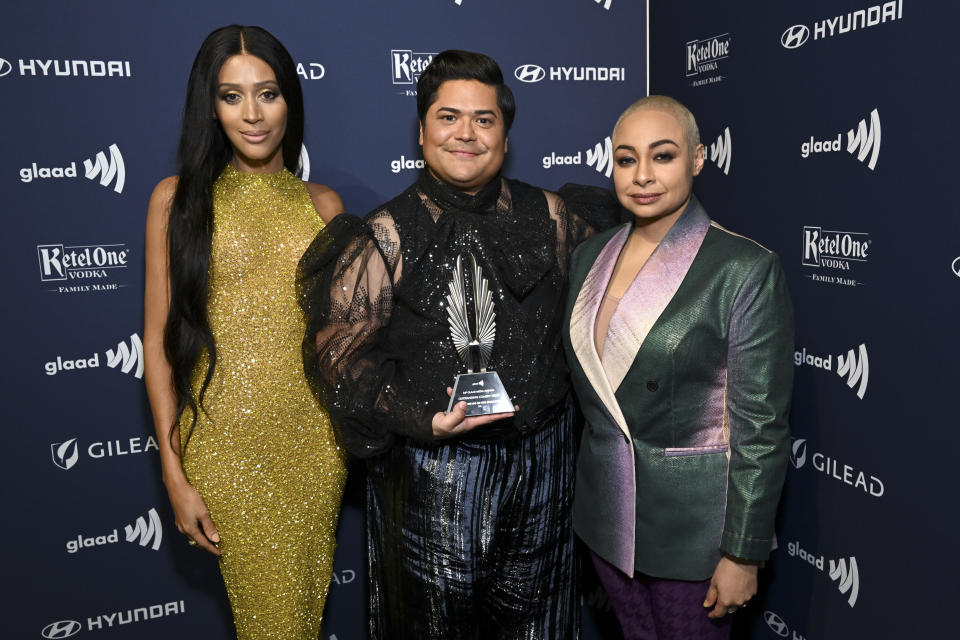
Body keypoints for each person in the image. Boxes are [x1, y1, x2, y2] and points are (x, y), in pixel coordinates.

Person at [298, 50, 617, 639]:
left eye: (484, 119)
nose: (466, 133)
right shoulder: (386, 233)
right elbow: (337, 354)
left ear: (504, 133)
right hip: (430, 475)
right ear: (422, 133)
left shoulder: (555, 217)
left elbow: (619, 293)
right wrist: (422, 418)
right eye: (448, 117)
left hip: (543, 467)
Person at [143, 25, 347, 640]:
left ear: (292, 101)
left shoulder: (325, 206)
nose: (253, 115)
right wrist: (174, 476)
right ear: (211, 106)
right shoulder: (175, 202)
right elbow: (155, 343)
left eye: (268, 93)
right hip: (223, 450)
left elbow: (342, 345)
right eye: (232, 97)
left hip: (315, 450)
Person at [562, 95, 793, 640]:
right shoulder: (588, 256)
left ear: (697, 159)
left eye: (662, 156)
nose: (642, 176)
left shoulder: (744, 269)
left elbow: (761, 428)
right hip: (608, 521)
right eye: (625, 158)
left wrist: (743, 551)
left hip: (697, 536)